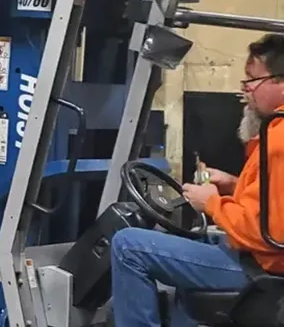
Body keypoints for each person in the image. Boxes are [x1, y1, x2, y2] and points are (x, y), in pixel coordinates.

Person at [110, 33, 284, 327]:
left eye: (252, 81)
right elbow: (272, 200)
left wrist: (212, 204)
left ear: (280, 82)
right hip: (257, 257)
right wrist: (233, 184)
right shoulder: (274, 132)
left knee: (127, 246)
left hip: (260, 266)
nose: (246, 91)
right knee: (193, 237)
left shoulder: (278, 139)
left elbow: (270, 233)